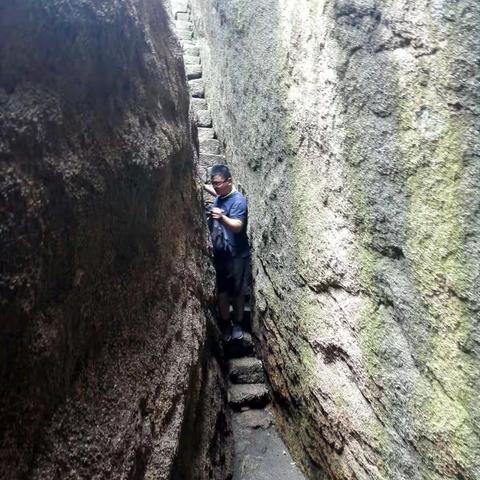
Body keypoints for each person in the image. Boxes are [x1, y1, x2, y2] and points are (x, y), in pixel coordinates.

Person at [206, 164, 250, 341]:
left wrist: (221, 218)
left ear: (229, 181)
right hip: (221, 254)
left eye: (218, 183)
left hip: (237, 256)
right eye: (213, 183)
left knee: (238, 292)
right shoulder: (221, 194)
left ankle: (238, 324)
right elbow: (216, 192)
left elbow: (238, 227)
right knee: (222, 291)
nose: (216, 187)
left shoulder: (238, 200)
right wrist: (202, 186)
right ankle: (225, 325)